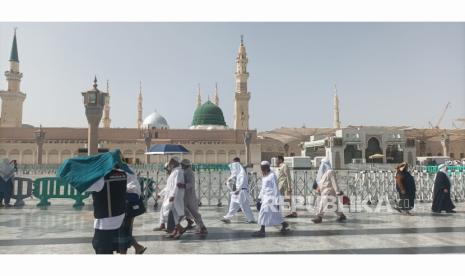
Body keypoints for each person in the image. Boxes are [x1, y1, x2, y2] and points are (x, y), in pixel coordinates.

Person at [252, 161, 289, 237]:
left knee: (263, 213)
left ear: (267, 167)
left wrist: (277, 201)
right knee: (274, 214)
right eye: (261, 167)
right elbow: (263, 188)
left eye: (263, 167)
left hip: (271, 197)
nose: (262, 169)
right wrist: (259, 198)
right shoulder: (265, 176)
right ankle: (284, 224)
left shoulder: (272, 176)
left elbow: (276, 188)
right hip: (265, 197)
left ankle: (262, 231)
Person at [118, 168, 147, 254]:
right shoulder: (126, 170)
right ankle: (137, 247)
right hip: (126, 208)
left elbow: (133, 194)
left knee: (124, 230)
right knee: (124, 230)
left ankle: (134, 248)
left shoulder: (125, 173)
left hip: (128, 208)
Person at [221, 158, 256, 224]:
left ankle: (251, 219)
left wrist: (238, 190)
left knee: (245, 207)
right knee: (232, 206)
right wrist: (228, 182)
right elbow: (233, 178)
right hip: (236, 192)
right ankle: (227, 218)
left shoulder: (242, 173)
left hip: (241, 192)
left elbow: (242, 182)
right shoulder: (237, 173)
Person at [312, 159, 346, 223]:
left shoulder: (330, 171)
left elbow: (334, 182)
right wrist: (318, 190)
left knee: (322, 203)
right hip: (324, 191)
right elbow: (322, 183)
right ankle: (342, 215)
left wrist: (337, 191)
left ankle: (319, 217)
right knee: (333, 206)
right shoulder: (324, 173)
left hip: (329, 191)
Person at [181, 159, 208, 234]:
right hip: (186, 195)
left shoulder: (189, 172)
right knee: (185, 210)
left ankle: (202, 227)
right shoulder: (185, 171)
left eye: (182, 164)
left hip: (189, 196)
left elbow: (191, 184)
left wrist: (183, 185)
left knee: (194, 212)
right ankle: (190, 221)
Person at [162, 157, 186, 239]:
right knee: (172, 212)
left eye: (171, 162)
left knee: (171, 212)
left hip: (175, 196)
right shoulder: (174, 171)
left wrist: (173, 195)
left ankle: (179, 229)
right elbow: (169, 186)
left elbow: (176, 184)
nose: (170, 164)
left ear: (175, 163)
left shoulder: (178, 171)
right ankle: (178, 229)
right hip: (172, 195)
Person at [154, 162, 171, 232]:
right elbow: (167, 187)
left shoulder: (174, 175)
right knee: (163, 210)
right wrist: (160, 194)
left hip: (172, 196)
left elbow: (169, 188)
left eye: (167, 169)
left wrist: (160, 194)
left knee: (169, 212)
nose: (166, 171)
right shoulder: (171, 175)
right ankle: (162, 225)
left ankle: (175, 228)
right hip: (168, 196)